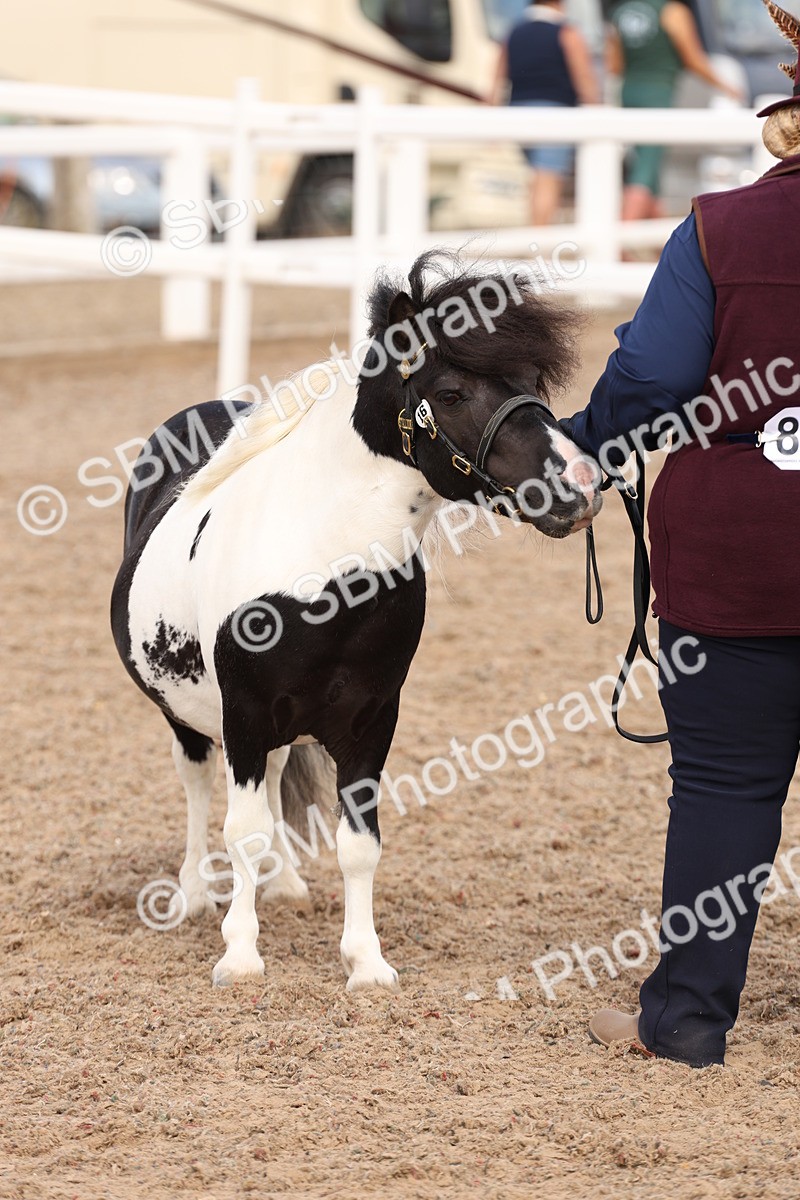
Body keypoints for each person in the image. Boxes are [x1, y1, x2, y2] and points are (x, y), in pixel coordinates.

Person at [560, 0, 800, 1068]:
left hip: (734, 548)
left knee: (723, 791)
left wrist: (583, 442)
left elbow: (653, 377)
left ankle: (688, 1020)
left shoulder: (716, 228)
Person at [607, 0, 744, 221]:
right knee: (645, 169)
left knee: (646, 165)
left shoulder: (620, 13)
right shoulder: (673, 12)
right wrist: (726, 86)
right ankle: (623, 232)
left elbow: (614, 65)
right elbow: (693, 58)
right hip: (658, 94)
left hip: (629, 92)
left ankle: (654, 233)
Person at [490, 0, 600, 225]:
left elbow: (497, 80)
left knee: (532, 180)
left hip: (517, 113)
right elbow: (584, 79)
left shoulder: (514, 32)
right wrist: (597, 111)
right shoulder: (567, 33)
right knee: (547, 179)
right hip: (555, 115)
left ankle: (535, 231)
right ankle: (539, 239)